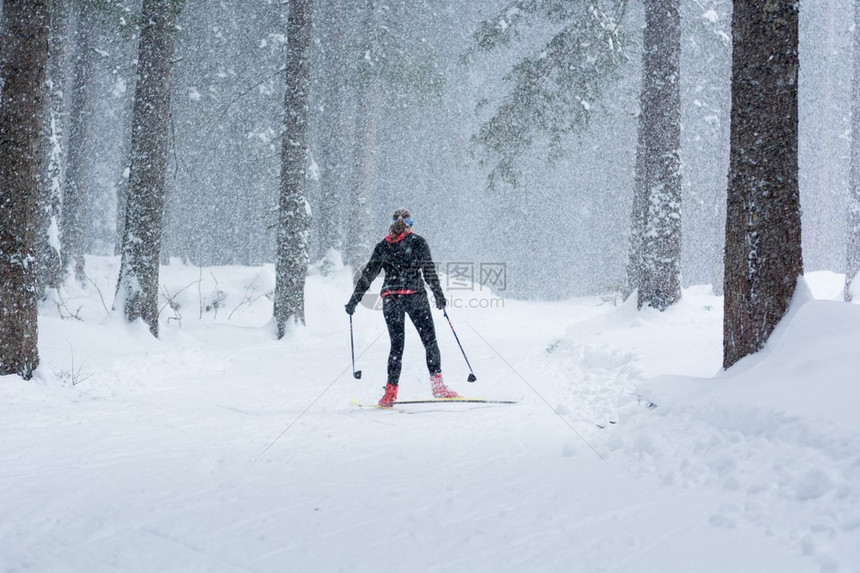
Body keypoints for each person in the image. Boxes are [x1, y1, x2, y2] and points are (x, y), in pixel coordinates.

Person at [345, 208, 459, 407]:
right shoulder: (418, 242)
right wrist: (439, 295)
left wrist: (354, 300)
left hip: (391, 298)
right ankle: (438, 387)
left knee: (396, 346)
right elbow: (429, 272)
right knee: (429, 341)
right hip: (415, 296)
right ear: (410, 223)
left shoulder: (383, 246)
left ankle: (390, 394)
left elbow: (368, 276)